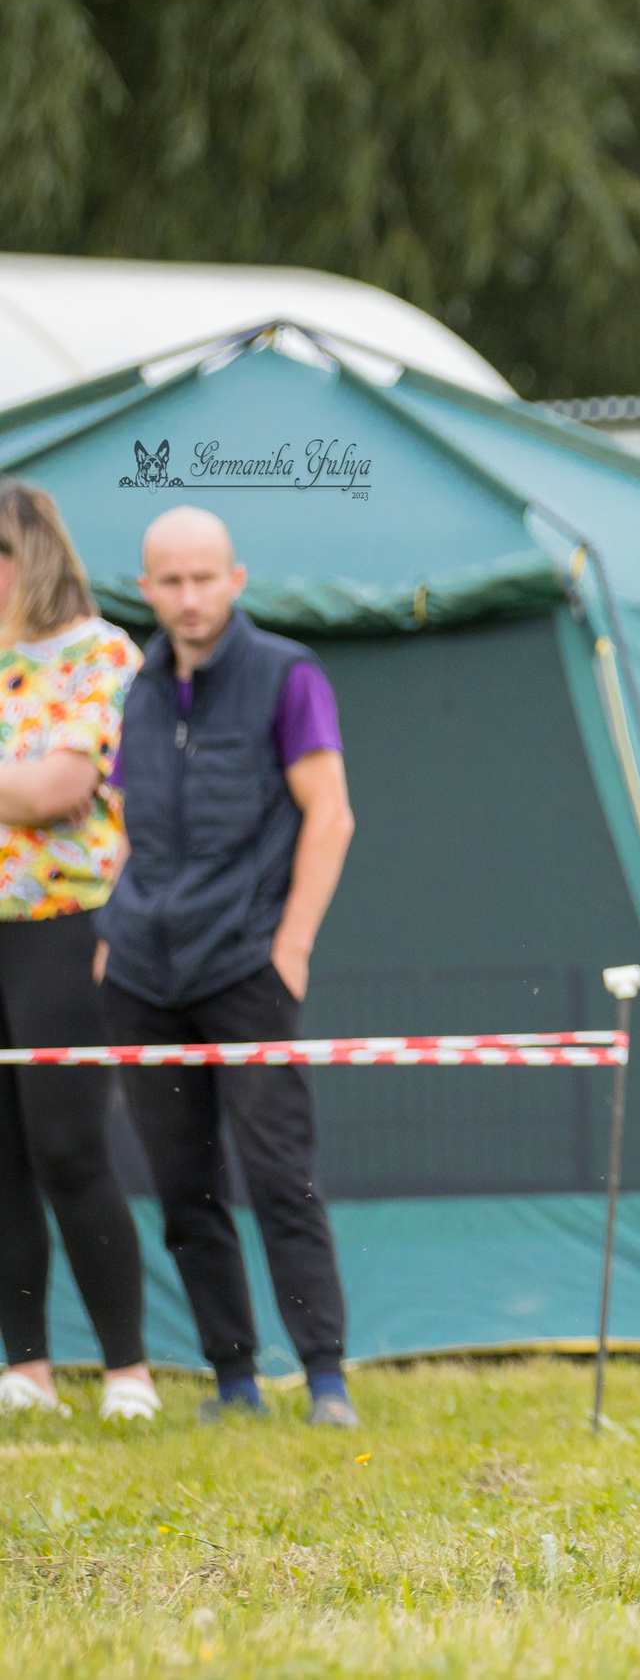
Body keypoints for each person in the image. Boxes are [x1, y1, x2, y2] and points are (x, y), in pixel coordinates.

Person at [95, 507, 359, 1428]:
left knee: (281, 1175)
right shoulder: (136, 687)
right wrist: (109, 934)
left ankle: (325, 1377)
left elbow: (330, 816)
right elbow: (126, 821)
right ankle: (233, 1383)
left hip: (246, 966)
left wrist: (290, 949)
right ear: (146, 589)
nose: (188, 596)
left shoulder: (287, 673)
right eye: (169, 581)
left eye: (204, 577)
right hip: (140, 975)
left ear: (236, 579)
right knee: (181, 1186)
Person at [0, 481, 158, 1422]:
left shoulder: (103, 656)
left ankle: (127, 1371)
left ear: (27, 558)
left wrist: (28, 785)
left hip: (68, 928)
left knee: (68, 1147)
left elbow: (55, 789)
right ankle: (26, 1367)